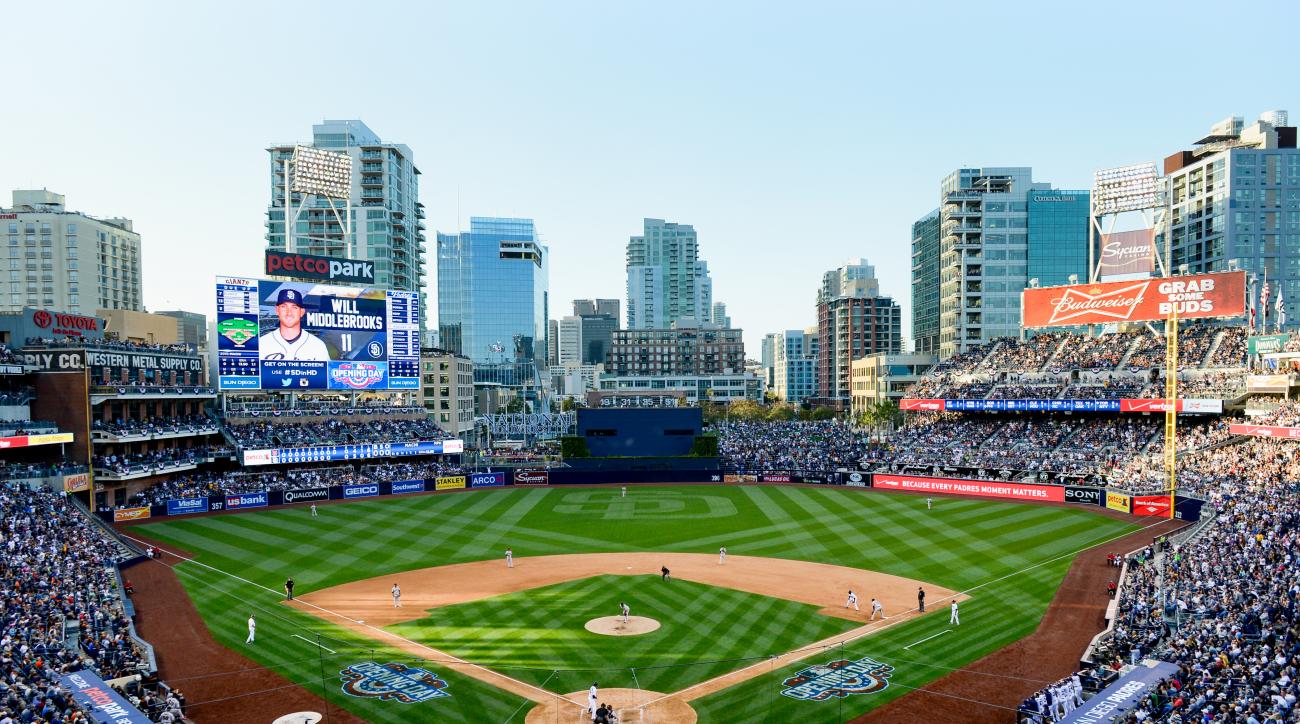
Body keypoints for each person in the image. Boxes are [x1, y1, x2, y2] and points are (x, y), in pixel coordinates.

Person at [258, 288, 330, 362]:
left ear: (302, 312)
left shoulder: (318, 346)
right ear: (277, 310)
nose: (289, 313)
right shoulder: (262, 343)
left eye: (294, 307)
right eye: (284, 307)